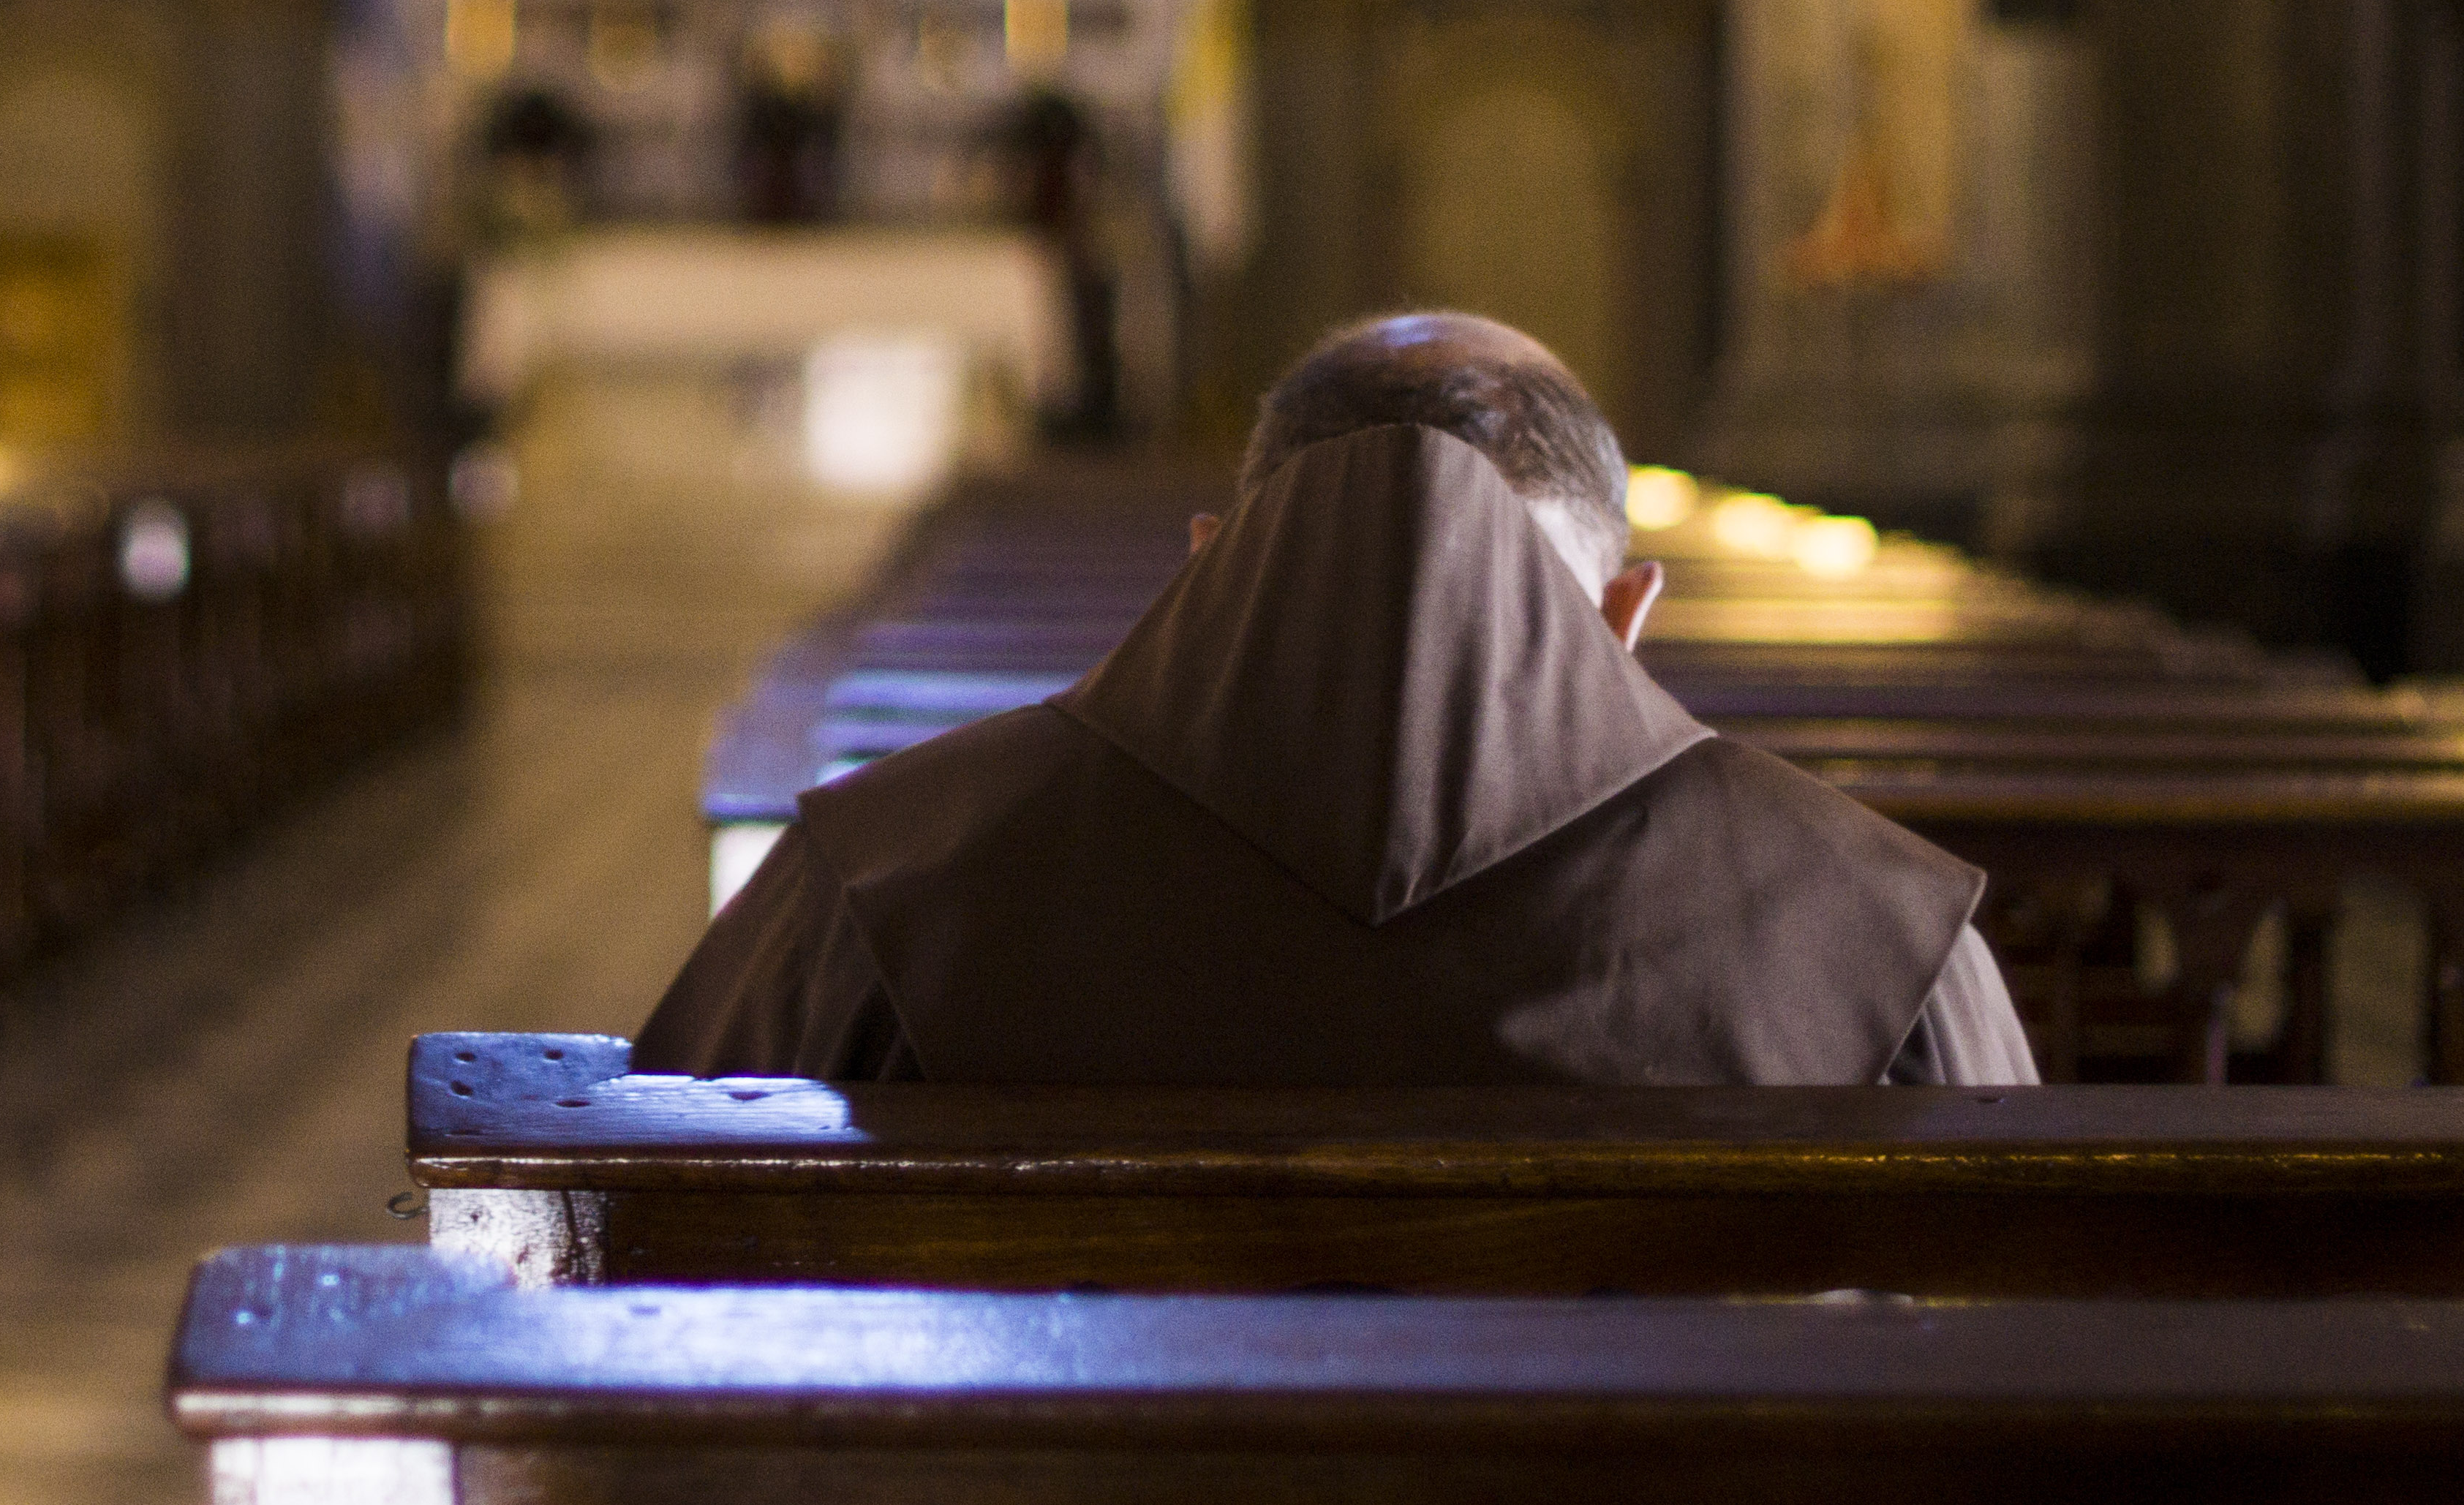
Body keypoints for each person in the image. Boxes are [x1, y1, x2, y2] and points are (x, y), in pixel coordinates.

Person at [635, 312, 2039, 1085]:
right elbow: (2018, 1337)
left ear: (1211, 561)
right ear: (1627, 615)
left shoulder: (884, 872)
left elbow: (644, 1256)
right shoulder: (1878, 928)